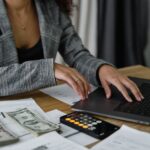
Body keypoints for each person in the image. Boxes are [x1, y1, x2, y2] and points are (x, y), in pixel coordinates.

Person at [0, 0, 143, 102]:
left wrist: (101, 69)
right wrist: (47, 69)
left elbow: (76, 54)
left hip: (41, 104)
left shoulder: (51, 7)